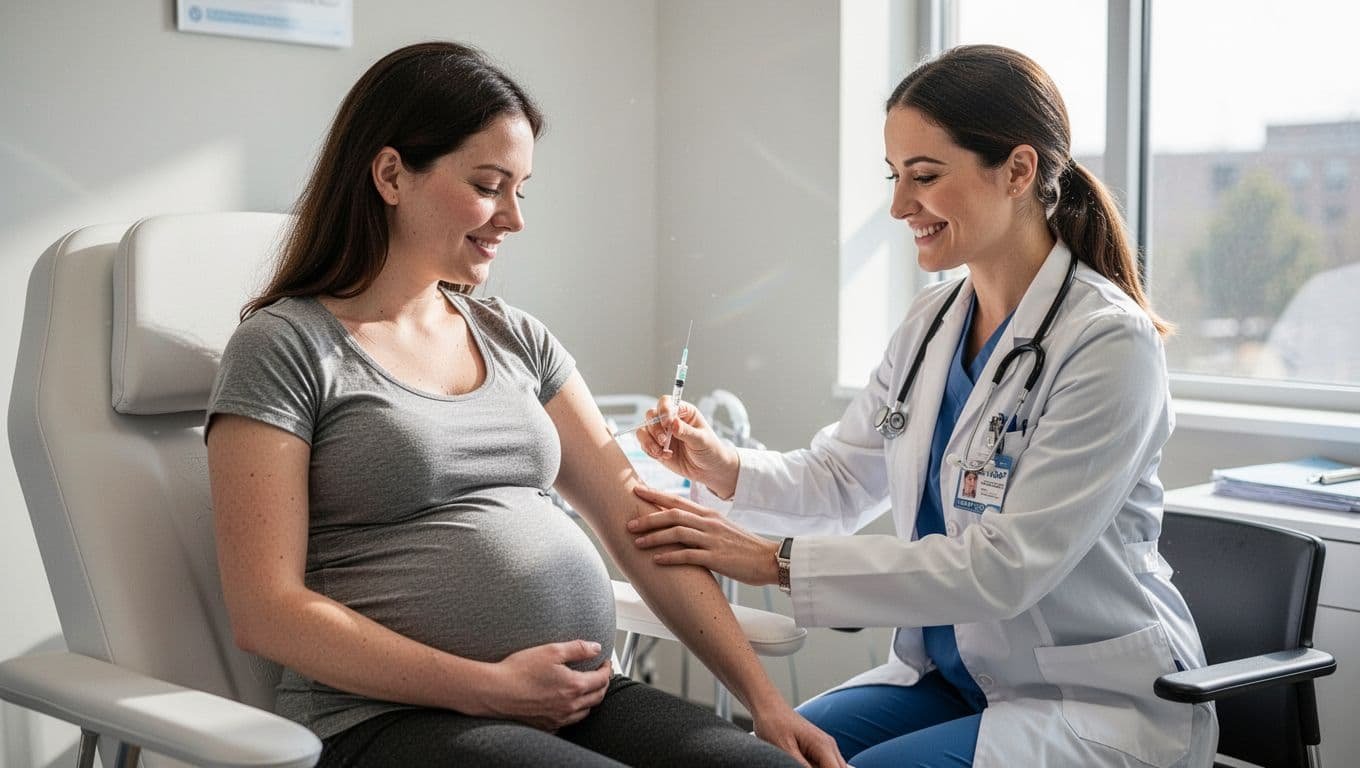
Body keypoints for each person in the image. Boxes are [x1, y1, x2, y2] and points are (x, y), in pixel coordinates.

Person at [205, 41, 843, 768]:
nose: (512, 218)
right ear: (390, 175)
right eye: (487, 185)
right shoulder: (285, 347)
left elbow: (639, 525)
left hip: (578, 701)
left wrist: (766, 704)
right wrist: (484, 688)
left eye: (521, 189)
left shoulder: (515, 337)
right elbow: (266, 611)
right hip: (388, 722)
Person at [627, 45, 1218, 768]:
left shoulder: (1106, 343)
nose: (900, 206)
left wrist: (773, 562)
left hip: (1082, 699)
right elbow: (841, 480)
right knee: (765, 757)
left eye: (925, 176)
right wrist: (719, 466)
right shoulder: (932, 325)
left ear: (1019, 171)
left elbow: (1003, 570)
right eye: (896, 177)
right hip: (949, 679)